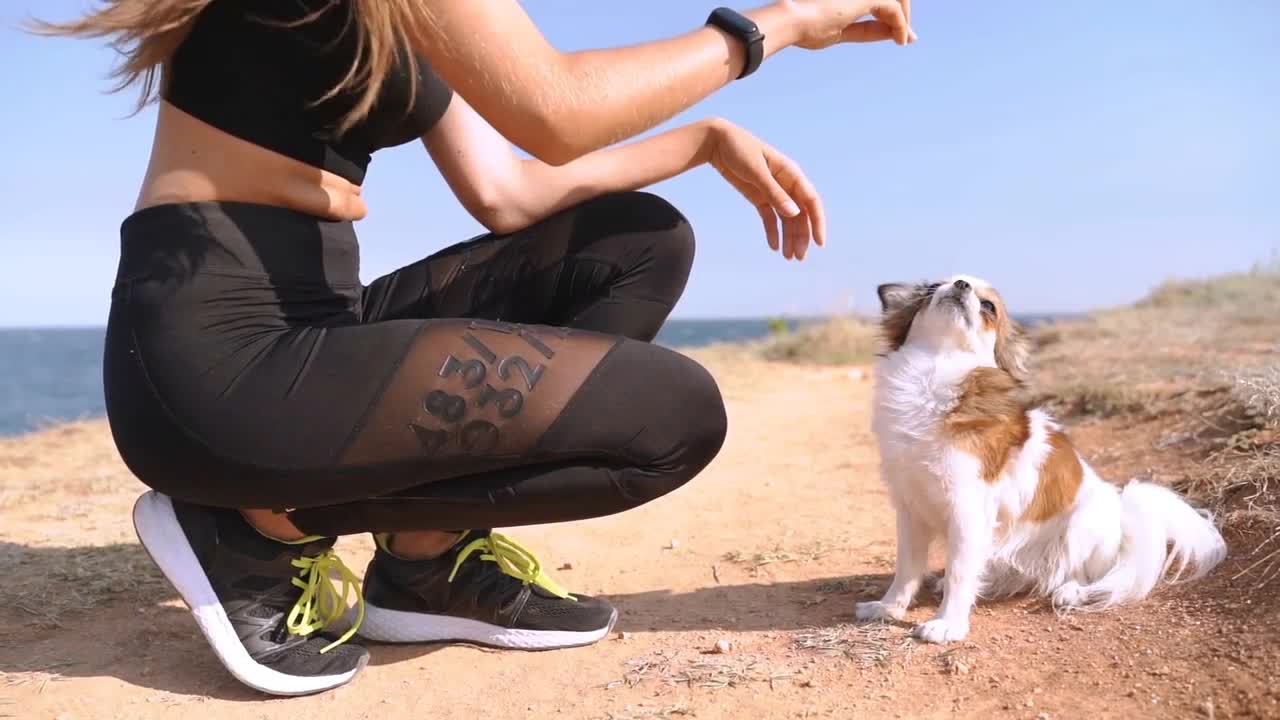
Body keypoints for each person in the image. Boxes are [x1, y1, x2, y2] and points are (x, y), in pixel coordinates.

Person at [31, 0, 916, 697]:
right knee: (674, 418)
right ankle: (252, 520)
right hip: (214, 360)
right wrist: (787, 21)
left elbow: (508, 191)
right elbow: (557, 109)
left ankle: (423, 559)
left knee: (636, 242)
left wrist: (701, 143)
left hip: (316, 327)